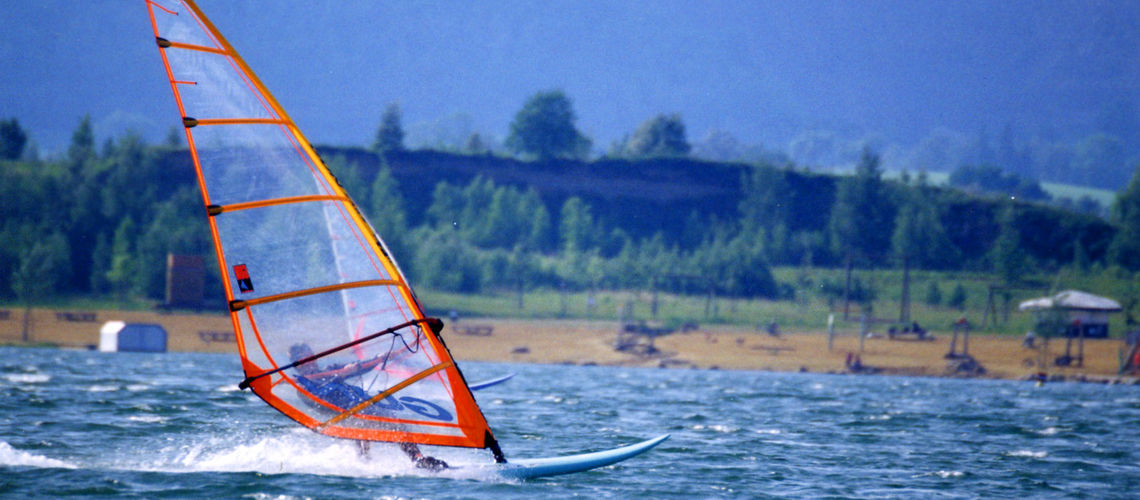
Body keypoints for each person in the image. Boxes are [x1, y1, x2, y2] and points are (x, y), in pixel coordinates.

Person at [288, 343, 448, 471]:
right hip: (344, 417)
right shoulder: (303, 386)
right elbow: (319, 401)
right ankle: (365, 464)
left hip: (364, 408)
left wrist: (379, 358)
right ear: (297, 365)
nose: (311, 361)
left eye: (312, 356)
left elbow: (360, 366)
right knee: (365, 430)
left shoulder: (330, 369)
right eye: (305, 359)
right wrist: (338, 376)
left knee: (396, 423)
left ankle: (417, 459)